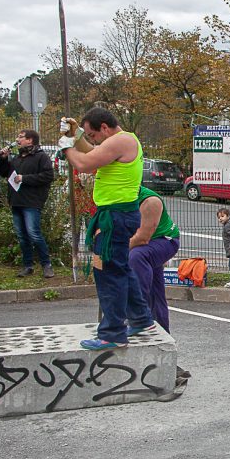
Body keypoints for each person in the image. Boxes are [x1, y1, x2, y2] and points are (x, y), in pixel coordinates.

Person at [59, 107, 154, 351]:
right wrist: (78, 135)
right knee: (119, 267)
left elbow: (84, 163)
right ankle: (141, 318)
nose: (92, 140)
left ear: (104, 128)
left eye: (92, 134)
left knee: (108, 273)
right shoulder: (123, 141)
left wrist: (66, 145)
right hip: (118, 215)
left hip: (115, 218)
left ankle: (113, 333)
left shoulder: (120, 141)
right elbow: (92, 153)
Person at [0, 130, 55, 278]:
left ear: (30, 140)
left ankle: (46, 265)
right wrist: (3, 159)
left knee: (34, 234)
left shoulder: (41, 157)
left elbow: (48, 176)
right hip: (17, 201)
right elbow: (5, 173)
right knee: (22, 236)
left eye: (21, 137)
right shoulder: (17, 158)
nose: (18, 140)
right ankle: (28, 265)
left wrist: (24, 178)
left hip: (32, 201)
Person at [129, 185, 180, 336]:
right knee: (155, 287)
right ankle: (162, 332)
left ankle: (138, 314)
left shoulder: (150, 201)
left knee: (136, 257)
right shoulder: (116, 197)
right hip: (146, 243)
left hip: (164, 240)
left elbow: (142, 238)